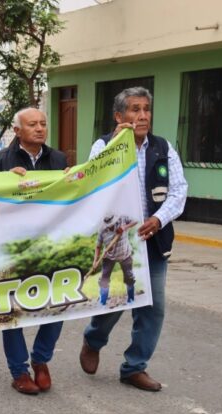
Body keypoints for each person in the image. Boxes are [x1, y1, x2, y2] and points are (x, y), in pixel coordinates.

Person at [80, 86, 187, 392]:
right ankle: (93, 340)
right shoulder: (103, 146)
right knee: (115, 302)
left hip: (152, 241)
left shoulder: (163, 148)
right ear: (119, 116)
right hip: (118, 240)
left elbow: (179, 190)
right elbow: (93, 186)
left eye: (146, 109)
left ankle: (134, 367)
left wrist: (158, 219)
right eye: (134, 109)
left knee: (152, 307)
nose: (142, 115)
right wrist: (116, 145)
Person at [0, 107, 68, 395]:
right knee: (12, 309)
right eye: (33, 124)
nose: (40, 128)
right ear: (17, 131)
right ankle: (19, 370)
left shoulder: (58, 160)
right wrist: (5, 182)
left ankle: (41, 360)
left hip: (48, 246)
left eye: (43, 123)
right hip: (10, 248)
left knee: (56, 304)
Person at [94, 214, 138, 306]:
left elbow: (136, 220)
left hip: (125, 254)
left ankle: (131, 300)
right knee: (104, 279)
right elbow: (98, 247)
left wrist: (125, 227)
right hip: (109, 257)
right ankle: (102, 302)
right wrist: (95, 261)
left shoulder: (122, 219)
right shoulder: (102, 230)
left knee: (129, 277)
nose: (111, 225)